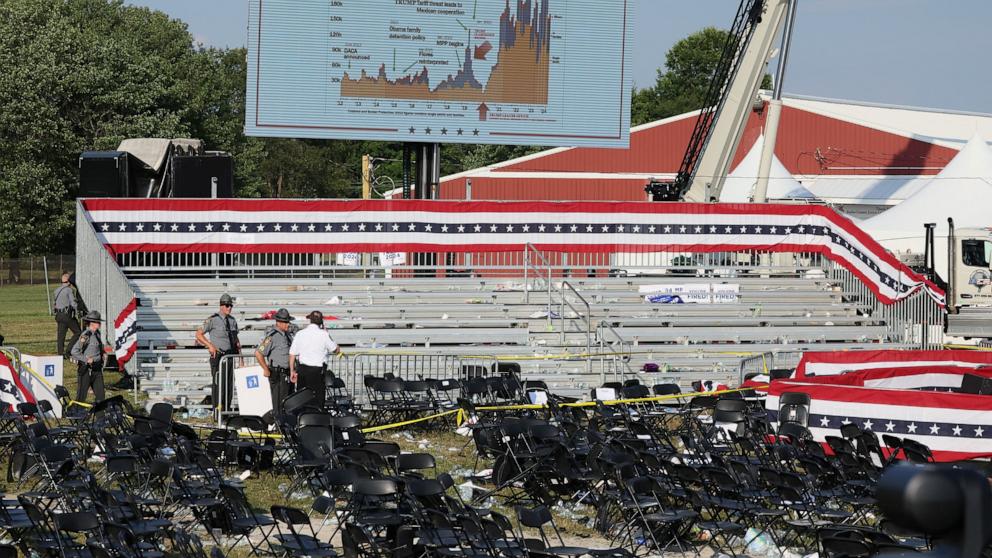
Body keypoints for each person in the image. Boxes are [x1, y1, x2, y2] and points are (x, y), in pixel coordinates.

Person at [195, 294, 241, 412]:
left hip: (230, 356)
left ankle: (226, 411)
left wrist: (241, 359)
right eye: (227, 305)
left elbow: (236, 341)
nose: (229, 308)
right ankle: (218, 412)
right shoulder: (213, 320)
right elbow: (198, 334)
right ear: (221, 306)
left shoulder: (232, 321)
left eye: (230, 305)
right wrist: (210, 345)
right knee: (219, 384)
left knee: (229, 385)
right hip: (219, 356)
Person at [289, 310, 342, 409]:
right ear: (321, 322)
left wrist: (292, 371)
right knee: (317, 400)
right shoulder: (324, 334)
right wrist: (328, 334)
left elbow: (292, 354)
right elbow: (336, 350)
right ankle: (317, 421)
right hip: (317, 372)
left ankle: (303, 420)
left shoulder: (300, 334)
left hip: (303, 370)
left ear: (310, 320)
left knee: (302, 400)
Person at [255, 308, 298, 418]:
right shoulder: (271, 337)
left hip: (288, 373)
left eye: (288, 321)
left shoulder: (288, 335)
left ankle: (286, 425)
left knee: (288, 403)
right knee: (279, 403)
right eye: (285, 322)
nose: (288, 324)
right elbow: (258, 353)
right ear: (278, 322)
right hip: (278, 374)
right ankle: (278, 425)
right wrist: (265, 369)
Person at [70, 311, 110, 404]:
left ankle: (100, 417)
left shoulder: (97, 334)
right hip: (86, 370)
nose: (99, 324)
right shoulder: (86, 335)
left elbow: (97, 347)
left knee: (101, 396)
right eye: (98, 322)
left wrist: (102, 353)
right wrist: (86, 359)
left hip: (97, 369)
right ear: (92, 323)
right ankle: (77, 416)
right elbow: (74, 351)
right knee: (81, 396)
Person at [53, 273, 81, 358]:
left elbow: (54, 304)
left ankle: (60, 353)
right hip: (67, 315)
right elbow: (73, 303)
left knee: (61, 336)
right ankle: (68, 351)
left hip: (59, 315)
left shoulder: (56, 290)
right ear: (69, 282)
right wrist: (78, 310)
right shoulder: (69, 290)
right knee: (78, 332)